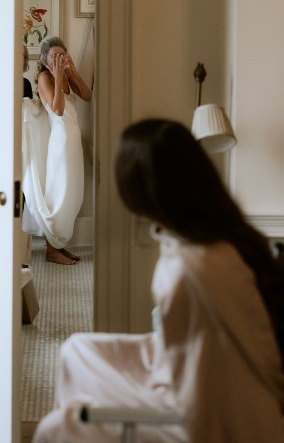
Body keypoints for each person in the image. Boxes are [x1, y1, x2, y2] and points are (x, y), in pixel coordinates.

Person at [33, 118, 284, 441]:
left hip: (194, 395)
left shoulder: (188, 269)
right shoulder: (221, 235)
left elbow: (195, 385)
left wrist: (124, 405)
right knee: (76, 349)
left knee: (57, 427)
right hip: (182, 364)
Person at [22, 36, 92, 265]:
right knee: (59, 194)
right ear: (45, 59)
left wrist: (71, 72)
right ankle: (52, 250)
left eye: (62, 55)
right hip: (60, 144)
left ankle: (60, 245)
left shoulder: (65, 73)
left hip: (72, 142)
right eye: (54, 56)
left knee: (72, 194)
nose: (58, 59)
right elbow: (58, 110)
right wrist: (59, 75)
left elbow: (87, 95)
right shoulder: (44, 78)